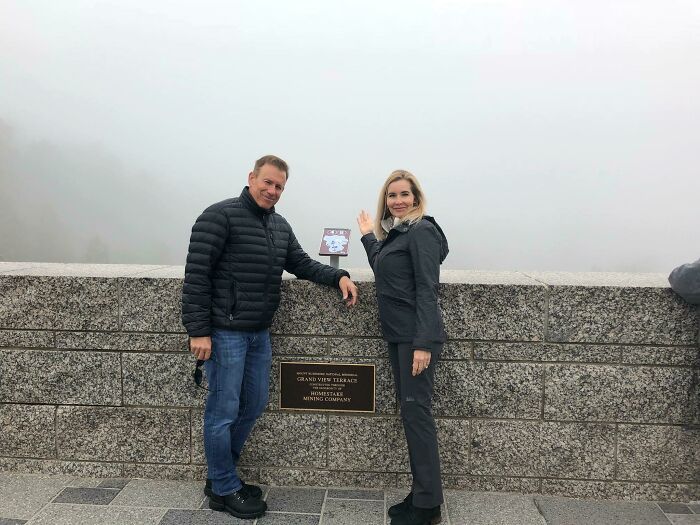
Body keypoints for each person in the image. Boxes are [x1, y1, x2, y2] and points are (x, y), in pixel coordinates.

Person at [182, 155, 358, 520]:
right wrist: (198, 331)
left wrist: (337, 277)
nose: (272, 191)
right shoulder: (219, 216)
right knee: (222, 411)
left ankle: (221, 476)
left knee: (255, 403)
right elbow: (196, 275)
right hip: (225, 332)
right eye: (268, 183)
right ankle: (224, 485)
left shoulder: (279, 225)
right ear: (251, 178)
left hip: (259, 332)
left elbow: (300, 263)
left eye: (279, 186)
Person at [357, 170, 448, 525]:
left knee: (417, 414)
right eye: (391, 195)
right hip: (400, 337)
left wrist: (423, 344)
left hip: (415, 338)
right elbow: (383, 267)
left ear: (416, 198)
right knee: (411, 414)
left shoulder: (422, 230)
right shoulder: (399, 234)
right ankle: (422, 492)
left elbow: (428, 288)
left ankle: (428, 506)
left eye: (404, 194)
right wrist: (367, 236)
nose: (397, 200)